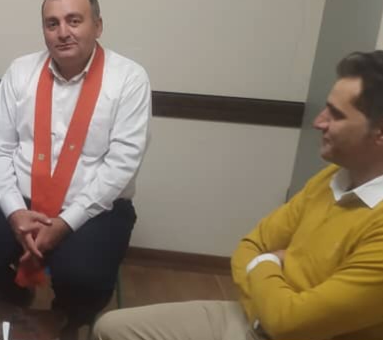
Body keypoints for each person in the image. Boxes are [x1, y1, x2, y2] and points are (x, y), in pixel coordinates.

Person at [94, 50, 383, 340]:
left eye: (336, 114)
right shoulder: (331, 178)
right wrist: (270, 289)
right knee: (111, 329)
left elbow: (290, 323)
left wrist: (266, 263)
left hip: (286, 329)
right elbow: (249, 247)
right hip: (255, 315)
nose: (319, 121)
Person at [0, 0, 152, 333]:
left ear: (97, 26)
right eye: (52, 23)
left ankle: (63, 324)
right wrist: (15, 212)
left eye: (74, 20)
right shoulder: (20, 71)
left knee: (83, 279)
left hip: (94, 208)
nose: (63, 32)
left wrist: (65, 223)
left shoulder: (129, 79)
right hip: (23, 199)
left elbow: (121, 165)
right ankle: (15, 304)